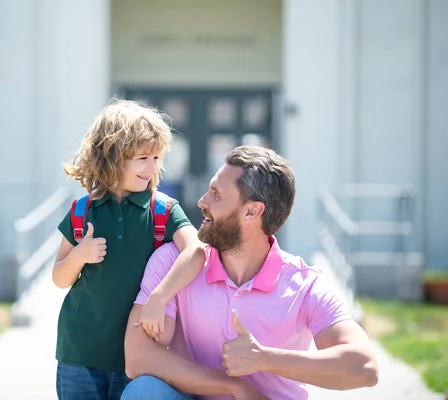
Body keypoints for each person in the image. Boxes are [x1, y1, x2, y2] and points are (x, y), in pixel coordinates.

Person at [123, 146, 379, 399]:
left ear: (252, 211)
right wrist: (233, 386)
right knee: (144, 392)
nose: (202, 201)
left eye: (216, 195)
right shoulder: (174, 263)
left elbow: (365, 368)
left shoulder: (305, 285)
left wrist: (264, 358)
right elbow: (138, 357)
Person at [51, 99, 205, 400]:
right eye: (143, 157)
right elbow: (59, 278)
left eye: (157, 157)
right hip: (78, 354)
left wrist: (159, 298)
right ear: (111, 158)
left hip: (137, 358)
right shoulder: (82, 211)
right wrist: (80, 255)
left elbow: (196, 252)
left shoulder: (164, 210)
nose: (152, 166)